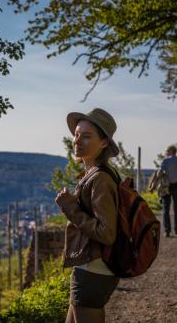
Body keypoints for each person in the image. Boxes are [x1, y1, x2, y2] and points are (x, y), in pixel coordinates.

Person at [55, 108, 120, 323]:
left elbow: (107, 233)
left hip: (94, 271)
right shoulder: (93, 174)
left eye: (86, 136)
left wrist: (70, 208)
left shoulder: (100, 179)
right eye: (76, 134)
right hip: (88, 268)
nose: (77, 140)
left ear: (104, 143)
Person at [158, 145, 177, 237]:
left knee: (166, 208)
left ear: (170, 151)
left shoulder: (165, 161)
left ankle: (167, 231)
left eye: (167, 151)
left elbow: (159, 173)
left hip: (166, 186)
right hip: (176, 185)